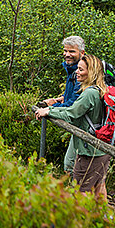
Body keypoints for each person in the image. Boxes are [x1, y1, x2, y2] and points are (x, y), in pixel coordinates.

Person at [35, 54, 111, 200]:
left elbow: (72, 113)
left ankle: (80, 220)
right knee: (99, 184)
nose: (77, 72)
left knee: (81, 188)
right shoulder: (102, 89)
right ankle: (104, 219)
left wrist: (49, 111)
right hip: (103, 147)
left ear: (92, 72)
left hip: (89, 150)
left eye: (81, 70)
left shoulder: (89, 93)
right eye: (77, 69)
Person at [40, 35, 85, 173]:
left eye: (72, 51)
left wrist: (50, 109)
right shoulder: (72, 69)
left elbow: (74, 104)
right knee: (91, 172)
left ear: (82, 53)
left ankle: (77, 193)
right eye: (65, 51)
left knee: (71, 165)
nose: (67, 54)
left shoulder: (82, 72)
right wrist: (60, 99)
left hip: (87, 125)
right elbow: (72, 96)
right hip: (81, 123)